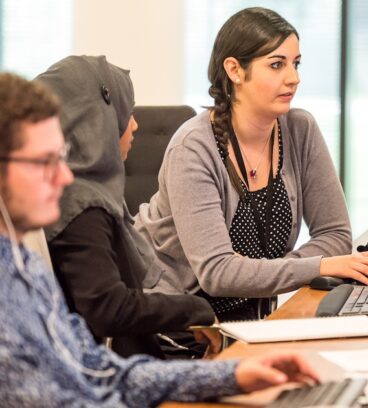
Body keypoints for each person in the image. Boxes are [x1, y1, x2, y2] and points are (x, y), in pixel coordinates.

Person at [0, 71, 319, 406]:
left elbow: (100, 370)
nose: (64, 176)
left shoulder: (24, 266)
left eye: (60, 157)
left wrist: (231, 375)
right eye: (43, 161)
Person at [135, 7, 368, 321]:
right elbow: (217, 273)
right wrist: (318, 265)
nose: (293, 78)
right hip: (180, 326)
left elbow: (335, 235)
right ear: (234, 70)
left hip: (252, 320)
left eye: (295, 64)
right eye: (276, 65)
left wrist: (270, 272)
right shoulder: (194, 148)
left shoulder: (300, 130)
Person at [36, 55, 218, 359]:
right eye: (126, 112)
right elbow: (107, 308)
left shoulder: (79, 193)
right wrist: (195, 309)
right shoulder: (82, 205)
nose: (134, 125)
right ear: (97, 119)